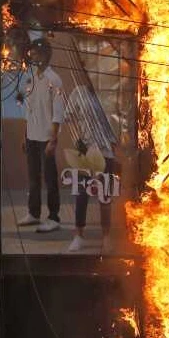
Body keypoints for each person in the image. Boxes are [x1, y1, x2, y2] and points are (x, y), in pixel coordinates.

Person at [60, 83, 118, 253]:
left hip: (106, 152)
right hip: (85, 152)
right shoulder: (78, 92)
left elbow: (118, 122)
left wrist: (115, 147)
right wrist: (78, 138)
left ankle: (106, 236)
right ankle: (78, 236)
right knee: (81, 195)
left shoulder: (109, 90)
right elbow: (68, 117)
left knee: (105, 197)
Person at [15, 38, 65, 233]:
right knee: (33, 178)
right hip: (32, 136)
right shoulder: (32, 78)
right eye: (31, 54)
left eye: (34, 53)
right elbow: (30, 110)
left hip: (46, 138)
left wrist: (54, 140)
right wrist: (24, 135)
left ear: (44, 55)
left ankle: (54, 217)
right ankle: (33, 214)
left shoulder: (54, 80)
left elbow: (58, 112)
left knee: (50, 179)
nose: (31, 56)